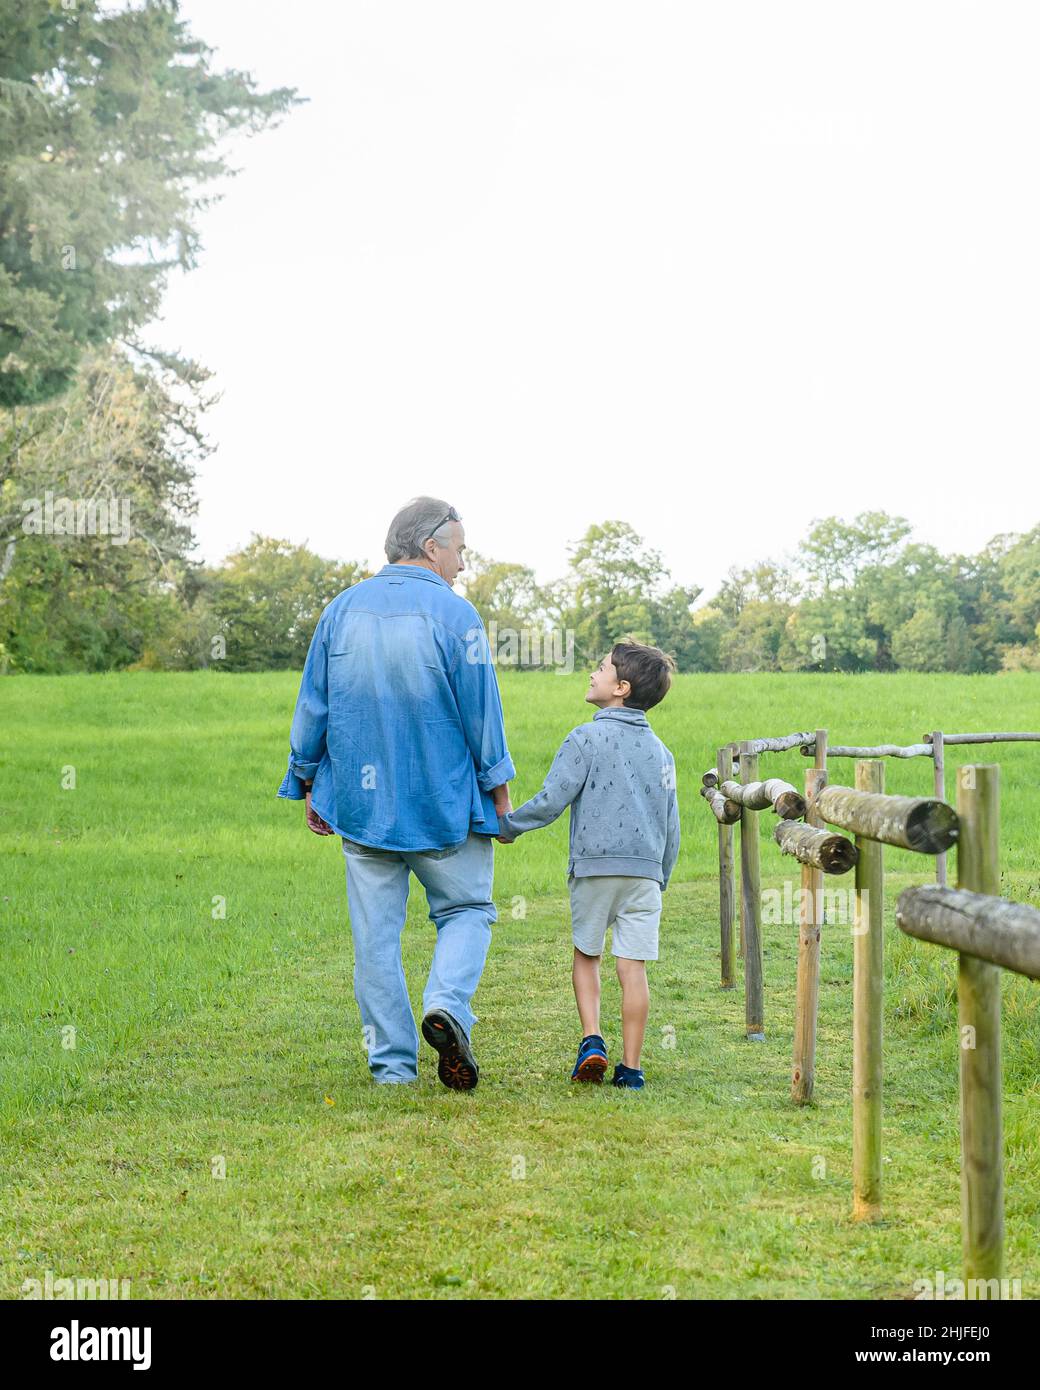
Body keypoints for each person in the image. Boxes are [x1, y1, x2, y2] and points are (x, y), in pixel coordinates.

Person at [277, 497, 514, 1091]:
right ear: (431, 546)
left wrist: (306, 780)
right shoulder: (457, 617)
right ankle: (448, 1007)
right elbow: (482, 713)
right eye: (459, 550)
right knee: (466, 910)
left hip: (361, 809)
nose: (462, 563)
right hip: (444, 805)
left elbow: (315, 704)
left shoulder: (340, 611)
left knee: (374, 940)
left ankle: (392, 1069)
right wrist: (499, 790)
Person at [497, 642, 679, 1089]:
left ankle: (592, 1040)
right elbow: (671, 825)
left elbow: (552, 799)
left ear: (620, 687)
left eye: (600, 669)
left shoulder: (585, 738)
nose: (591, 674)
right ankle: (631, 1069)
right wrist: (661, 876)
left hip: (595, 868)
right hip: (645, 874)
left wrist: (509, 826)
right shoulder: (663, 753)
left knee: (587, 954)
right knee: (632, 968)